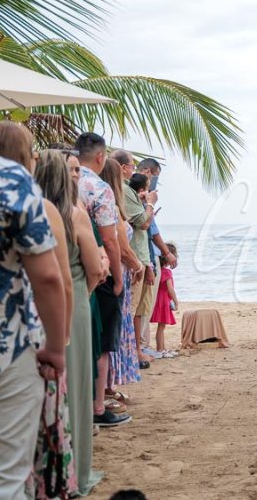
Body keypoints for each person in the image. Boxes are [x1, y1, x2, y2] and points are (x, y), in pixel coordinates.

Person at [0, 122, 66, 500]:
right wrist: (55, 348)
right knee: (8, 476)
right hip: (8, 345)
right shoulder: (11, 180)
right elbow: (48, 278)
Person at [34, 150, 104, 495]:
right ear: (65, 177)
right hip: (73, 301)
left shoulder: (29, 214)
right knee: (75, 386)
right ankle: (75, 472)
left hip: (35, 306)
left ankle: (44, 468)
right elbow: (95, 269)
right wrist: (83, 291)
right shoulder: (74, 215)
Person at [75, 132, 130, 428]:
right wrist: (119, 279)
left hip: (69, 271)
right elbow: (111, 241)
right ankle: (98, 407)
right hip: (99, 272)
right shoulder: (99, 188)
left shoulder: (63, 183)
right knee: (102, 341)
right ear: (100, 157)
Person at [99, 158, 143, 400]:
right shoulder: (110, 207)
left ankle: (108, 384)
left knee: (117, 326)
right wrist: (137, 266)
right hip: (118, 271)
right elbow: (119, 246)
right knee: (114, 327)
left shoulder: (113, 205)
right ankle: (106, 387)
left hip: (121, 270)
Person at [110, 151, 156, 367]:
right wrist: (150, 204)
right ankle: (132, 352)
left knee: (135, 308)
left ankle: (133, 351)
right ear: (122, 167)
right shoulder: (120, 190)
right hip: (132, 258)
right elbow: (144, 223)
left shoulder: (124, 192)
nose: (132, 169)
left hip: (137, 256)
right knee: (132, 308)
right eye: (130, 165)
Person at [136, 158, 176, 359]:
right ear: (148, 172)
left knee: (143, 305)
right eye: (154, 177)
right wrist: (167, 253)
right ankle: (141, 345)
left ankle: (142, 344)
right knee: (143, 304)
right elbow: (149, 227)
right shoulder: (140, 197)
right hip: (146, 255)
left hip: (147, 254)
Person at [150, 243, 179, 355]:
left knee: (160, 327)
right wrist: (176, 301)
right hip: (163, 301)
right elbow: (170, 289)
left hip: (157, 299)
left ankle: (161, 348)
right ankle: (160, 349)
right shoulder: (167, 272)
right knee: (161, 327)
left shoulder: (157, 271)